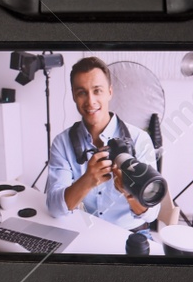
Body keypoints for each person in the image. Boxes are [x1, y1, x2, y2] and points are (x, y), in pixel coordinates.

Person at [45, 56, 160, 227]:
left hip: (129, 232)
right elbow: (54, 208)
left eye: (97, 90)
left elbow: (151, 215)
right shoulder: (62, 143)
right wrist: (87, 180)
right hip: (85, 229)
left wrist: (129, 191)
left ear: (110, 92)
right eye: (82, 92)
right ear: (74, 96)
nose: (90, 101)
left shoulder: (139, 139)